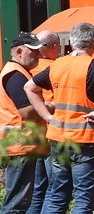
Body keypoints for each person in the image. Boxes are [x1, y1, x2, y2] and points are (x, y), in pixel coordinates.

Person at [24, 23, 94, 214]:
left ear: (71, 42)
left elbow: (30, 87)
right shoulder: (93, 67)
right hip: (85, 141)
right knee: (83, 200)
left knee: (57, 194)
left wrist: (46, 116)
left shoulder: (57, 64)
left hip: (59, 140)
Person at [0, 32, 45, 214]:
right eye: (33, 51)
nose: (38, 56)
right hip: (21, 145)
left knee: (18, 199)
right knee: (16, 203)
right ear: (19, 51)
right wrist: (48, 107)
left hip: (19, 144)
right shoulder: (16, 76)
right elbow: (27, 112)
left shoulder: (17, 72)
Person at [26, 30, 60, 214]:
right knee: (54, 186)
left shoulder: (29, 68)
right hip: (50, 135)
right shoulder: (52, 69)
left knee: (38, 187)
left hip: (34, 135)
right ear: (53, 47)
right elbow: (52, 102)